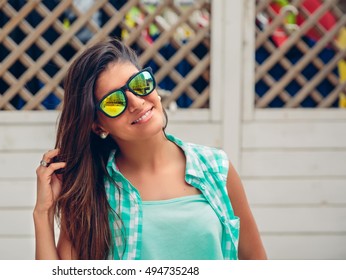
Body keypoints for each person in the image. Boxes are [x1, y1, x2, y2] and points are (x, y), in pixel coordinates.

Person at [34, 37, 267, 260]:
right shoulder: (90, 192)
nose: (136, 103)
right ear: (97, 125)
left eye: (139, 84)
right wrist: (43, 213)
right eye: (114, 102)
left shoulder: (216, 169)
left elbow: (256, 262)